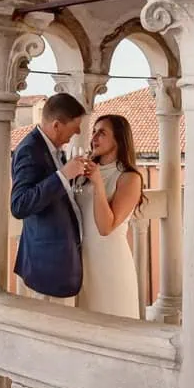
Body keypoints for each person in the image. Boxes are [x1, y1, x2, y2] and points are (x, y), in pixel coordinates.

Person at [11, 91, 93, 388]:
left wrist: (68, 180)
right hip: (46, 268)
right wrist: (64, 175)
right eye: (71, 130)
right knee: (52, 355)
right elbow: (21, 203)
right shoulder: (30, 149)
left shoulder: (49, 147)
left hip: (54, 262)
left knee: (59, 351)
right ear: (56, 123)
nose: (72, 137)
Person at [77, 113, 146, 320]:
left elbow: (106, 227)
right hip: (81, 261)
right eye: (94, 131)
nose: (94, 137)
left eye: (102, 133)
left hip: (110, 264)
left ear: (119, 139)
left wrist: (98, 183)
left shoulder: (129, 178)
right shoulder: (85, 172)